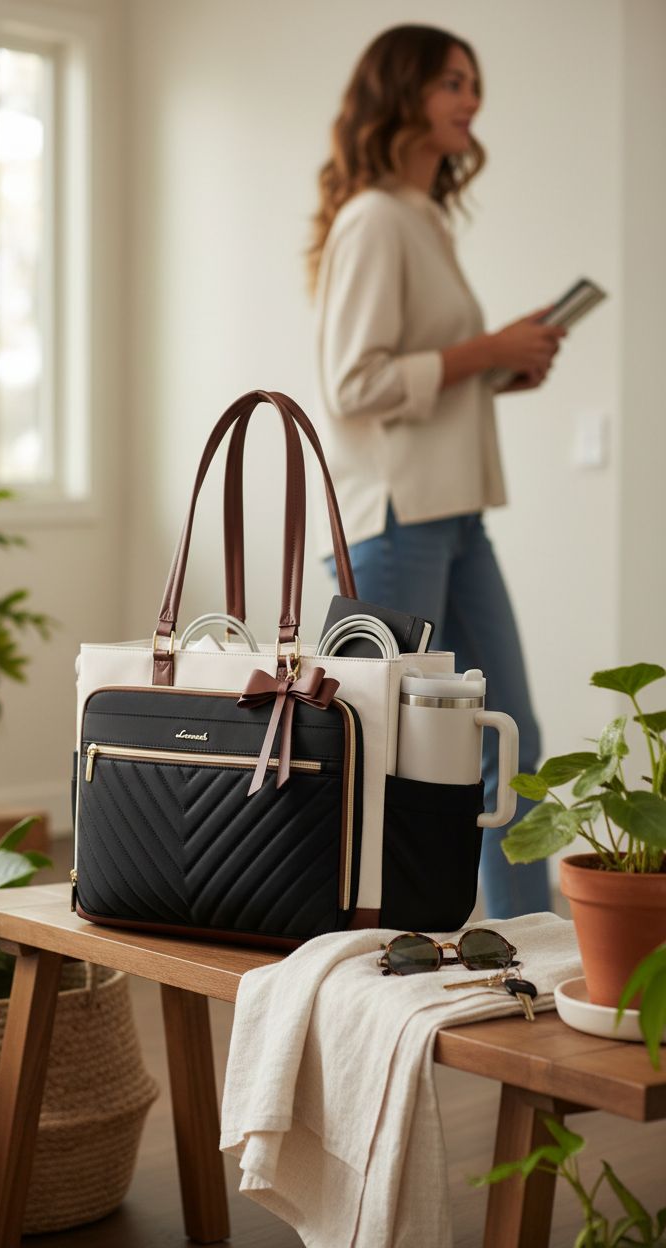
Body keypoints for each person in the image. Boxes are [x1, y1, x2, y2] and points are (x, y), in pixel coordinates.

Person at [309, 24, 565, 919]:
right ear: (403, 93)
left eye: (473, 84)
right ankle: (368, 949)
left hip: (452, 516)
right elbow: (353, 382)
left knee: (507, 736)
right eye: (453, 82)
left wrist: (499, 367)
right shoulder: (375, 218)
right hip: (394, 521)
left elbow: (419, 377)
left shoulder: (420, 218)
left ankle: (527, 939)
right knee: (386, 753)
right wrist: (481, 349)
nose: (472, 100)